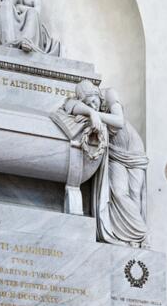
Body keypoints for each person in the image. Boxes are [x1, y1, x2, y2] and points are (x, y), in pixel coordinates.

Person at [52, 80, 148, 246]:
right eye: (89, 104)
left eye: (94, 102)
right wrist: (90, 112)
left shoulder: (109, 94)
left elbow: (119, 121)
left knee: (135, 194)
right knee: (119, 192)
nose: (94, 106)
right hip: (112, 152)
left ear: (98, 95)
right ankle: (138, 233)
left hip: (134, 150)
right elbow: (69, 106)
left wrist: (95, 115)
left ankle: (138, 241)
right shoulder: (76, 104)